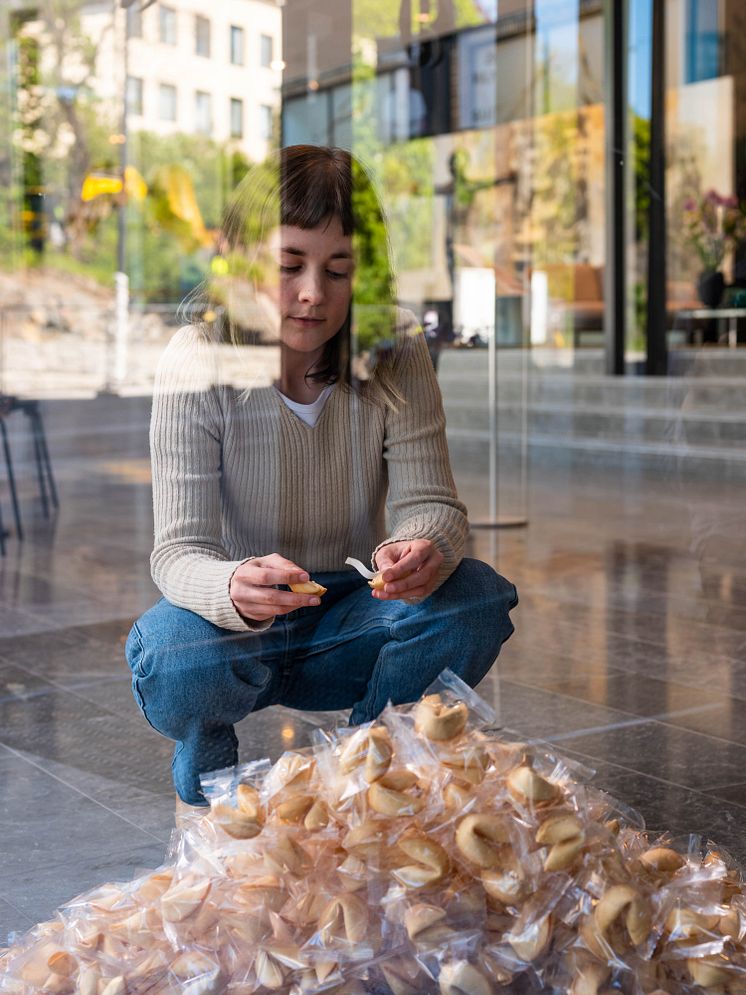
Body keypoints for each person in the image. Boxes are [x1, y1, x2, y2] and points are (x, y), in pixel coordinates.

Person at [125, 145, 518, 807]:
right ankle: (211, 752)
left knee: (476, 599)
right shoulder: (197, 358)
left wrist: (423, 546)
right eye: (289, 266)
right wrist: (231, 586)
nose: (314, 292)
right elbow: (178, 551)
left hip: (356, 613)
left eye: (339, 270)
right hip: (238, 625)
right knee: (171, 656)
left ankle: (367, 759)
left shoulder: (394, 345)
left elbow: (434, 505)